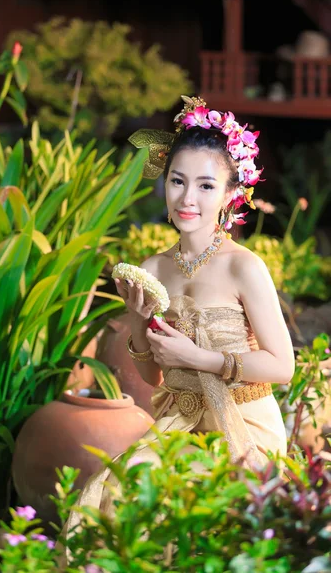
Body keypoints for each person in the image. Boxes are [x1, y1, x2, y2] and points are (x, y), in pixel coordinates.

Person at [59, 96, 295, 557]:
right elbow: (153, 378)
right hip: (180, 419)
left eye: (206, 186)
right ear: (164, 184)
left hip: (243, 422)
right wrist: (137, 318)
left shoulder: (244, 268)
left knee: (186, 509)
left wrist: (200, 358)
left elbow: (283, 366)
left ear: (230, 194)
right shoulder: (154, 267)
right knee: (123, 493)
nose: (188, 198)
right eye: (178, 181)